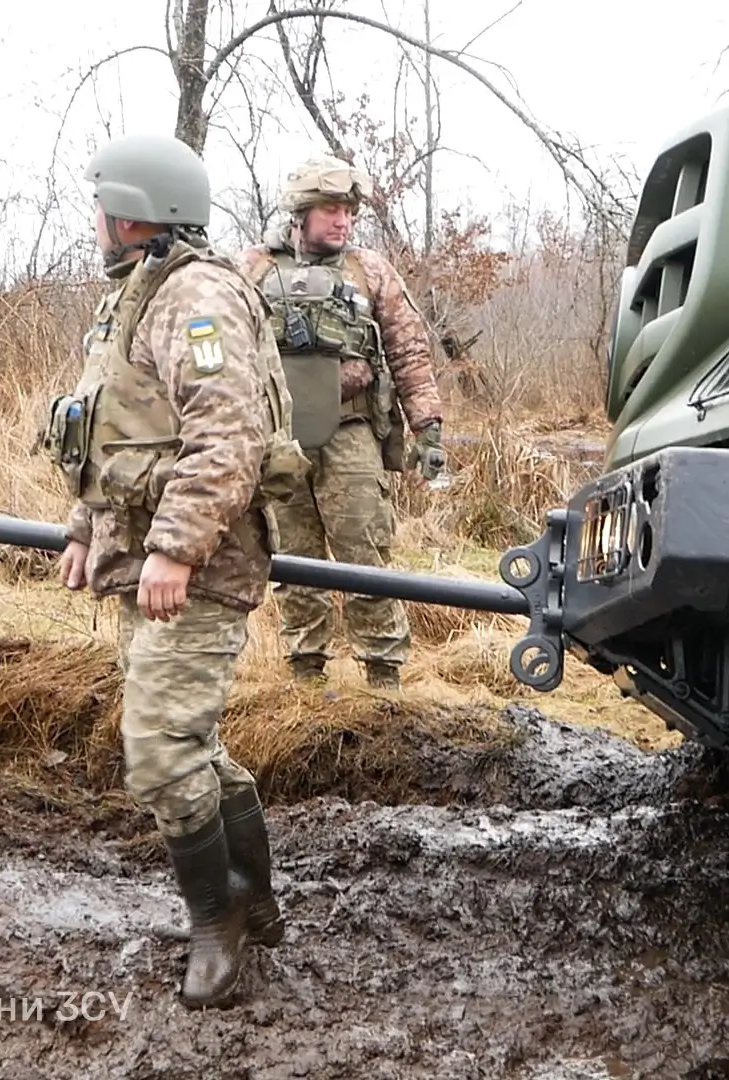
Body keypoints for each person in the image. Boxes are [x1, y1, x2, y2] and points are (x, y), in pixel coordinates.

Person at [42, 131, 307, 1009]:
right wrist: (85, 527)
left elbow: (225, 440)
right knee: (190, 744)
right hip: (146, 560)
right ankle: (255, 899)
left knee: (158, 755)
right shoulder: (134, 298)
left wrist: (174, 546)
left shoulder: (197, 300)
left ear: (133, 214)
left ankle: (215, 919)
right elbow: (108, 435)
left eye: (100, 208)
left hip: (198, 566)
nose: (95, 222)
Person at [234, 154, 446, 692]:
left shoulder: (369, 269)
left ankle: (383, 676)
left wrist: (428, 428)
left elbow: (408, 349)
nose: (343, 221)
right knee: (293, 557)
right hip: (278, 435)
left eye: (349, 211)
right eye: (330, 210)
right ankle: (305, 673)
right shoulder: (253, 268)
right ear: (301, 213)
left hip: (352, 431)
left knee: (364, 549)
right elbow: (225, 350)